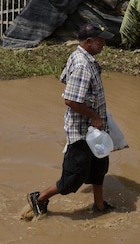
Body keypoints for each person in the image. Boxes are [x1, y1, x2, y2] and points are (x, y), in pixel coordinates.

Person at [27, 22, 117, 219]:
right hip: (83, 133)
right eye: (100, 41)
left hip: (96, 130)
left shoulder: (84, 57)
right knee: (72, 179)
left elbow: (66, 81)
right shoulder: (82, 65)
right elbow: (70, 99)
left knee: (99, 168)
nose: (103, 44)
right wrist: (94, 116)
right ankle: (39, 198)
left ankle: (99, 206)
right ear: (88, 41)